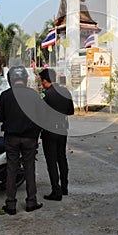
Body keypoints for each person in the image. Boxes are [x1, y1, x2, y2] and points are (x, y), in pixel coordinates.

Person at [0, 65, 43, 215]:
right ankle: (31, 201)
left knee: (11, 170)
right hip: (29, 139)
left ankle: (10, 205)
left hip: (11, 138)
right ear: (25, 78)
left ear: (11, 79)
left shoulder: (5, 96)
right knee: (29, 169)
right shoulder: (34, 95)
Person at [39, 68, 74, 201]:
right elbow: (71, 111)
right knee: (62, 158)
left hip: (49, 131)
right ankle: (65, 187)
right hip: (62, 129)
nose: (42, 84)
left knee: (51, 161)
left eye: (42, 82)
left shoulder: (46, 95)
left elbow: (40, 115)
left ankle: (56, 190)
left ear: (46, 81)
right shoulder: (65, 91)